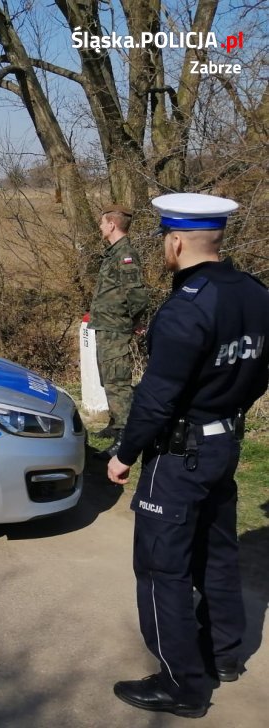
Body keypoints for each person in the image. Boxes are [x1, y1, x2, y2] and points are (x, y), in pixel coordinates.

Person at [107, 193, 269, 718]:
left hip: (181, 454)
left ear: (175, 241)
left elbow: (157, 398)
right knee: (216, 552)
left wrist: (124, 452)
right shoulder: (255, 293)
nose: (161, 248)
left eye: (162, 241)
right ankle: (224, 654)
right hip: (225, 444)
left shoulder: (186, 308)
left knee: (162, 568)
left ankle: (182, 684)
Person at [89, 203, 151, 459]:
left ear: (112, 224)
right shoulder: (113, 253)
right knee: (108, 377)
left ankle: (125, 437)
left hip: (116, 327)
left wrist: (134, 321)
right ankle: (115, 423)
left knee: (118, 381)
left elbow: (136, 293)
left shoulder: (125, 254)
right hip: (106, 325)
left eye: (103, 223)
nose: (101, 227)